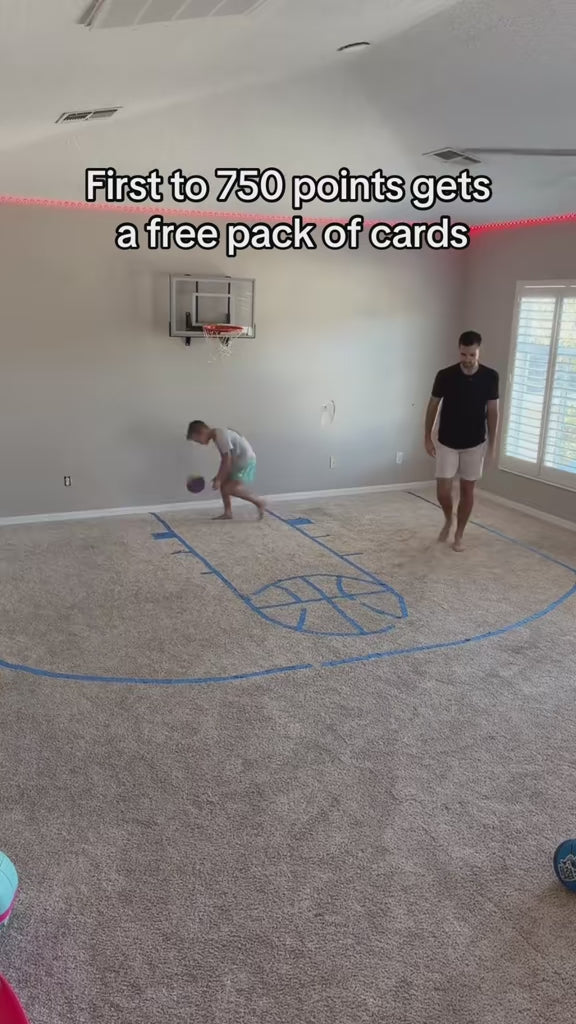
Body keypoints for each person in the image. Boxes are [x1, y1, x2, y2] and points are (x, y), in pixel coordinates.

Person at [424, 331, 499, 551]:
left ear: (479, 352)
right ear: (459, 350)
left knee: (467, 491)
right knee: (443, 491)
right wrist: (427, 437)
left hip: (474, 443)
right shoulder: (445, 375)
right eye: (463, 354)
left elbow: (493, 411)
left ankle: (459, 533)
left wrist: (493, 444)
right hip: (447, 441)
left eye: (472, 355)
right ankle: (449, 518)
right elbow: (432, 406)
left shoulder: (490, 376)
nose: (467, 359)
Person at [186, 421, 266, 520]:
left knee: (230, 488)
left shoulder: (220, 436)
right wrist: (219, 477)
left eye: (197, 440)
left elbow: (226, 460)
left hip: (246, 461)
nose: (199, 443)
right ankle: (228, 513)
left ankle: (259, 502)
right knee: (223, 485)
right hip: (238, 461)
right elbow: (226, 459)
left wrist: (219, 479)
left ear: (201, 432)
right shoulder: (218, 435)